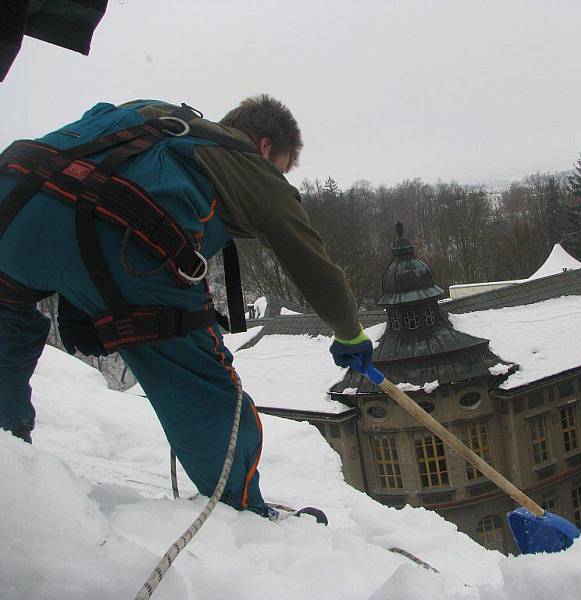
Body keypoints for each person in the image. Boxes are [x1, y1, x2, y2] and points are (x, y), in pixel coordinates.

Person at [0, 95, 374, 519]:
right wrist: (349, 333)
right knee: (200, 383)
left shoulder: (156, 115)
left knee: (5, 331)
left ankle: (6, 459)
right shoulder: (253, 169)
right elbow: (314, 266)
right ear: (266, 146)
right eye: (284, 166)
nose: (281, 175)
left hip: (13, 200)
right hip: (126, 242)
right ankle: (242, 511)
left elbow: (84, 175)